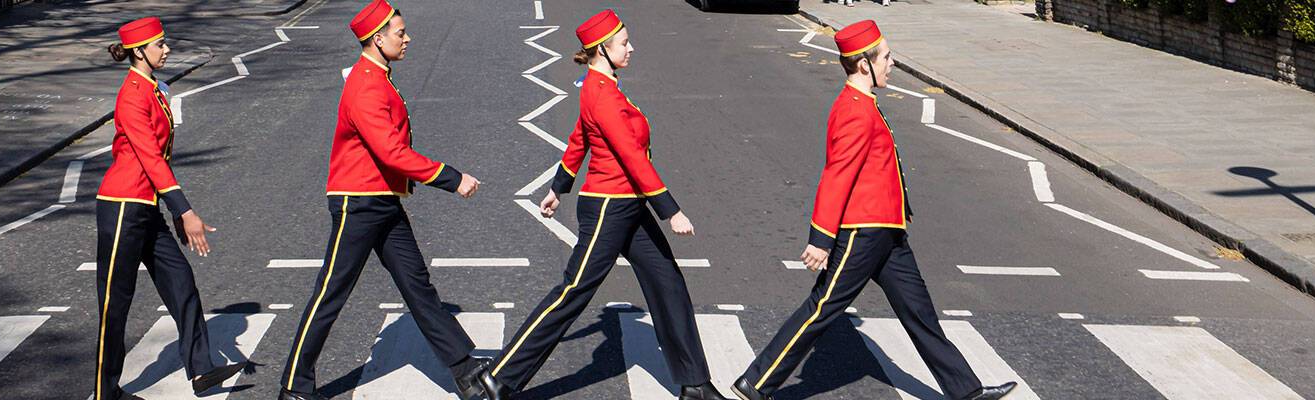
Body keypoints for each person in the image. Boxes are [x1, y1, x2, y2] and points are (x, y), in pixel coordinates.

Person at [727, 20, 1015, 400]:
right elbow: (837, 175)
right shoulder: (854, 111)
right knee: (822, 310)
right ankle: (756, 382)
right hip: (862, 232)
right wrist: (821, 238)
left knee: (920, 314)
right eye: (886, 57)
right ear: (865, 65)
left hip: (888, 233)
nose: (892, 63)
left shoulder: (863, 105)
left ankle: (966, 391)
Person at [477, 10, 727, 400]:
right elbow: (630, 154)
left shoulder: (603, 87)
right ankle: (499, 375)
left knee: (668, 284)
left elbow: (580, 139)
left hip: (628, 206)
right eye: (624, 43)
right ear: (601, 50)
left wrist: (558, 187)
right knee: (574, 291)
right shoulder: (600, 91)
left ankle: (694, 383)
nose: (632, 48)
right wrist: (670, 209)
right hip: (609, 207)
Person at [277, 1, 491, 399]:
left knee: (417, 286)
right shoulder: (365, 84)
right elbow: (391, 152)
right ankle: (294, 388)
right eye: (400, 33)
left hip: (382, 201)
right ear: (377, 38)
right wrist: (452, 178)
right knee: (330, 294)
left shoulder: (378, 76)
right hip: (357, 203)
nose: (407, 38)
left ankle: (465, 371)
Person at [93, 16, 246, 400]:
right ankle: (104, 392)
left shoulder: (154, 88)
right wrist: (184, 209)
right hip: (122, 206)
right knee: (115, 305)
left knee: (182, 285)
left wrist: (171, 209)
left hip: (145, 207)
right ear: (139, 51)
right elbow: (149, 157)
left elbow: (159, 158)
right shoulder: (131, 94)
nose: (167, 49)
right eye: (159, 45)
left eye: (165, 43)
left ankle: (201, 370)